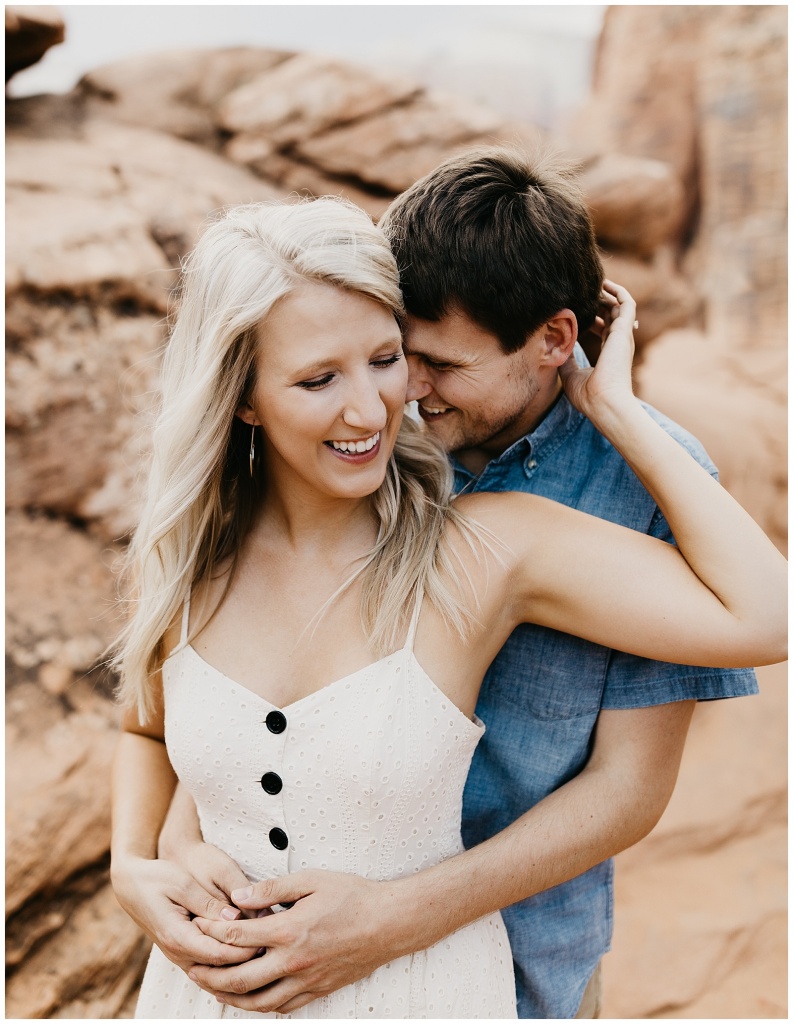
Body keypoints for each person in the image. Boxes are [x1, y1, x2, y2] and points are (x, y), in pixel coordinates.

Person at [111, 191, 785, 1020]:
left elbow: (765, 619)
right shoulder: (186, 555)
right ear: (241, 395)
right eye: (319, 378)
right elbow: (149, 726)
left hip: (448, 979)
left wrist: (614, 410)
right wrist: (132, 862)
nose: (379, 408)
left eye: (386, 359)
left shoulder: (482, 548)